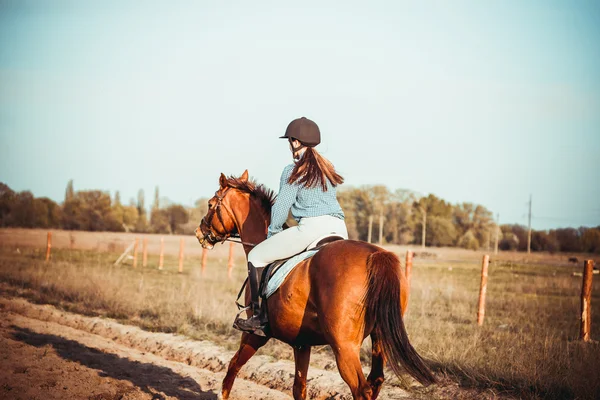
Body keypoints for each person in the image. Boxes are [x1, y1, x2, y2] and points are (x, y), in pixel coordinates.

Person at [233, 117, 348, 335]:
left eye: (290, 141)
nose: (290, 145)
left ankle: (258, 318)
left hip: (312, 228)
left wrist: (273, 233)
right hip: (339, 228)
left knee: (255, 256)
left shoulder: (292, 170)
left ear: (295, 142)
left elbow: (281, 207)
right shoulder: (327, 168)